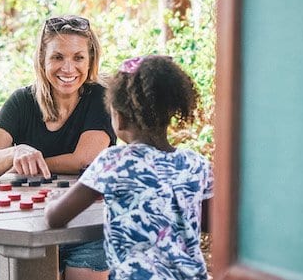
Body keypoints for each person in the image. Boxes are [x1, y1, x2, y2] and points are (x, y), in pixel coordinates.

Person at [0, 15, 117, 280]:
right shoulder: (21, 101)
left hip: (89, 230)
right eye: (58, 57)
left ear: (90, 59)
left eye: (78, 57)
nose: (68, 68)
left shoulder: (100, 97)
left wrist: (29, 164)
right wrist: (15, 152)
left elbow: (84, 159)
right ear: (42, 59)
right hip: (30, 230)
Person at [45, 55, 214, 280]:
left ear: (120, 117)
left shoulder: (114, 161)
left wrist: (52, 201)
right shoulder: (197, 164)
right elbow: (211, 224)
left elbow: (57, 217)